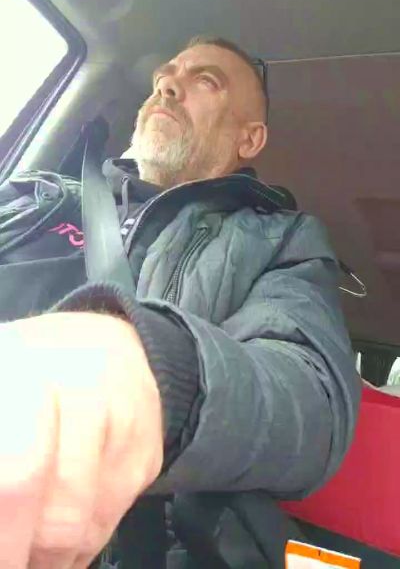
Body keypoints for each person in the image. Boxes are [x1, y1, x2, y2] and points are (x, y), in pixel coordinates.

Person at [0, 36, 361, 568]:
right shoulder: (31, 194)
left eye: (205, 80)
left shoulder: (279, 240)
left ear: (250, 138)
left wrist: (150, 374)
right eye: (163, 76)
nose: (168, 85)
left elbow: (312, 397)